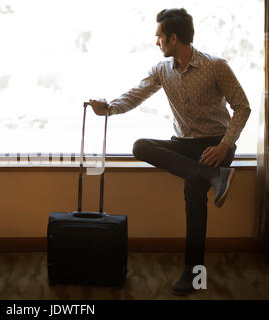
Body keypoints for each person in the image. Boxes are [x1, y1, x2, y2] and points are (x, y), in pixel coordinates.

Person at [89, 8, 251, 296]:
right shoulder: (162, 70)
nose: (156, 42)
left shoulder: (217, 66)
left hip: (216, 143)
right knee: (140, 145)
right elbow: (135, 95)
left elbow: (242, 106)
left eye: (159, 36)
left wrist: (224, 145)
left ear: (173, 38)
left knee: (193, 192)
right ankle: (213, 177)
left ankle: (194, 273)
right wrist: (109, 108)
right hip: (186, 144)